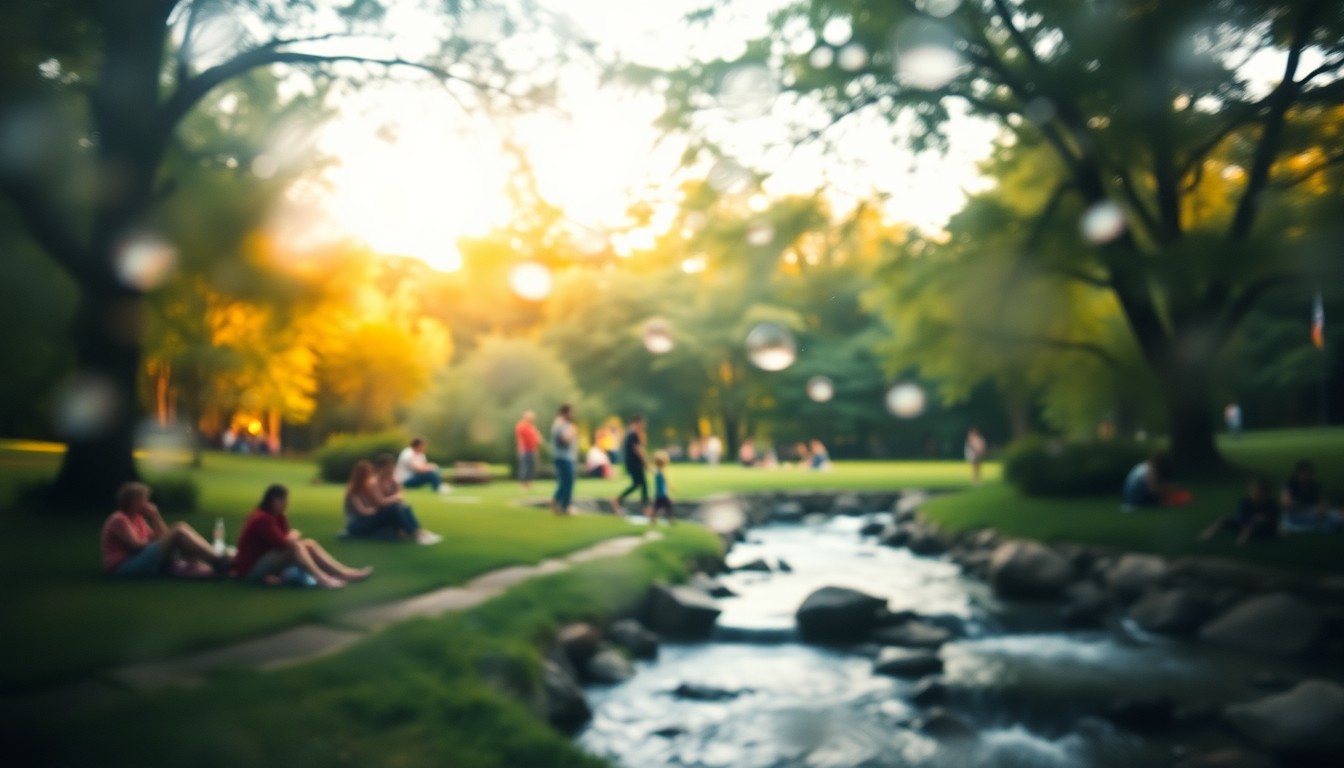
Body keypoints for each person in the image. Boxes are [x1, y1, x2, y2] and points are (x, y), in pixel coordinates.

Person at [232, 484, 372, 589]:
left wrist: (292, 535)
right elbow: (283, 542)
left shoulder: (278, 516)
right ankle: (321, 578)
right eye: (283, 500)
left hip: (265, 561)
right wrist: (294, 534)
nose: (286, 504)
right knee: (295, 546)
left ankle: (344, 572)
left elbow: (286, 538)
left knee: (309, 544)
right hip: (249, 570)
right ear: (274, 501)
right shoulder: (262, 518)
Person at [101, 482, 229, 577]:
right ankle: (218, 561)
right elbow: (135, 547)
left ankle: (214, 559)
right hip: (123, 566)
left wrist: (155, 516)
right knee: (178, 529)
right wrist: (160, 542)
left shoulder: (138, 519)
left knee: (181, 528)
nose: (147, 503)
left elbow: (162, 536)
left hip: (138, 559)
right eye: (143, 499)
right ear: (132, 501)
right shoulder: (119, 519)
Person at [343, 458, 442, 544]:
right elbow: (363, 511)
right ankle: (415, 534)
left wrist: (383, 506)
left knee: (402, 507)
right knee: (393, 508)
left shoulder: (365, 488)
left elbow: (396, 493)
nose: (368, 478)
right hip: (357, 525)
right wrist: (380, 510)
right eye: (366, 476)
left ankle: (418, 531)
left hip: (367, 520)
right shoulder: (353, 492)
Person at [1200, 477, 1279, 544]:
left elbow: (1271, 520)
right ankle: (1206, 535)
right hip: (1244, 524)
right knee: (1224, 520)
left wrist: (1258, 520)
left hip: (1262, 530)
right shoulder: (1245, 502)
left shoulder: (1270, 504)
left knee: (1254, 525)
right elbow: (1240, 516)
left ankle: (1242, 542)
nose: (1255, 493)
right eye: (1253, 490)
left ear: (1265, 492)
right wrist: (1251, 519)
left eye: (1258, 491)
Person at [1280, 459, 1344, 532]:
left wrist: (1321, 509)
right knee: (1333, 518)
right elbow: (1286, 503)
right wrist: (1298, 506)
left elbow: (1323, 502)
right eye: (1305, 473)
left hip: (1314, 513)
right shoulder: (1291, 485)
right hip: (1297, 515)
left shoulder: (1315, 486)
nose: (1307, 476)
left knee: (1334, 514)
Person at [612, 414, 650, 516]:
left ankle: (618, 500)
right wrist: (645, 462)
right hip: (634, 464)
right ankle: (645, 507)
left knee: (638, 484)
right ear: (636, 423)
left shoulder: (631, 433)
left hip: (632, 463)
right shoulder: (633, 434)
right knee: (642, 484)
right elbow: (638, 450)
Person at [550, 403, 578, 515]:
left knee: (564, 482)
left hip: (564, 456)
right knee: (568, 481)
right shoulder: (561, 424)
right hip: (563, 457)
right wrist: (573, 431)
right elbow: (564, 439)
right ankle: (564, 506)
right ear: (565, 412)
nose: (573, 414)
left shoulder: (561, 423)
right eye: (571, 412)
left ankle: (557, 502)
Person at [514, 410, 542, 491]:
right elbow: (520, 439)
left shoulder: (532, 427)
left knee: (531, 467)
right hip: (525, 450)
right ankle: (523, 485)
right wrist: (521, 449)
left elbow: (537, 437)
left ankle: (529, 484)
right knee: (524, 467)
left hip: (532, 449)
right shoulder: (521, 426)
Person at [651, 450, 674, 525]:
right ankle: (669, 519)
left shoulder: (658, 472)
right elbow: (665, 481)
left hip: (660, 494)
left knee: (658, 507)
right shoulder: (660, 472)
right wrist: (671, 487)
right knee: (666, 506)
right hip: (662, 494)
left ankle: (654, 519)